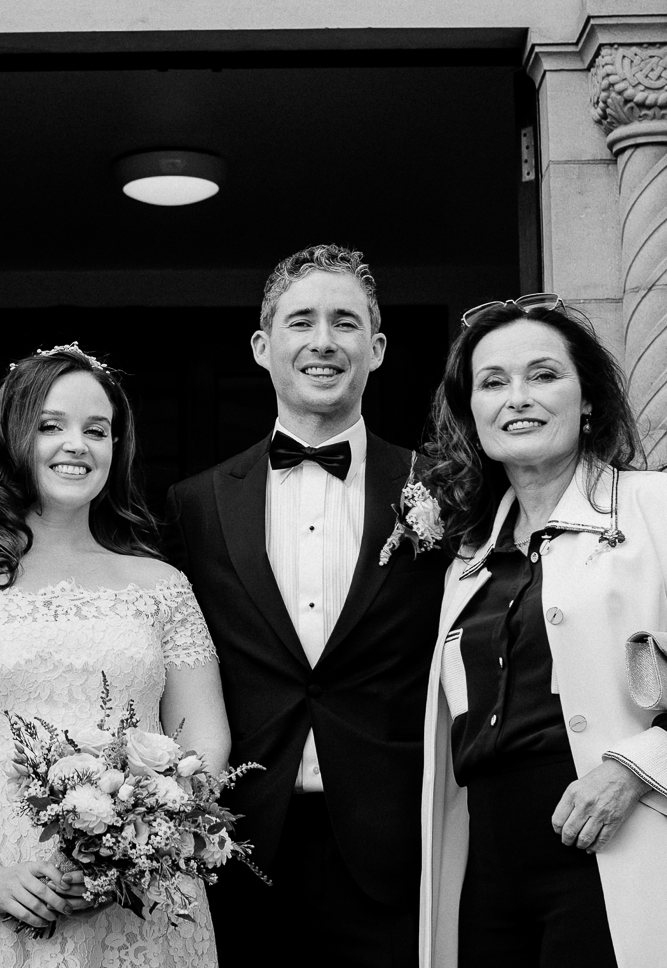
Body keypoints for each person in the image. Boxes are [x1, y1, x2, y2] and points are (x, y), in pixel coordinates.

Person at [416, 296, 667, 968]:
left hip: (619, 840)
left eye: (543, 375)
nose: (518, 398)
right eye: (493, 382)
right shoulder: (466, 562)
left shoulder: (664, 508)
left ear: (586, 400)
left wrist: (630, 770)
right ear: (473, 415)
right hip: (490, 863)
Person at [0, 344, 231, 967]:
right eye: (51, 426)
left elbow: (205, 736)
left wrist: (134, 855)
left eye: (96, 431)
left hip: (141, 891)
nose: (77, 444)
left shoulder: (161, 585)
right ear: (11, 438)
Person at [168, 245, 451, 968]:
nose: (323, 342)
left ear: (377, 348)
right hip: (242, 843)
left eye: (345, 323)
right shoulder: (195, 503)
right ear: (264, 347)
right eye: (301, 322)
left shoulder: (445, 490)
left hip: (394, 843)